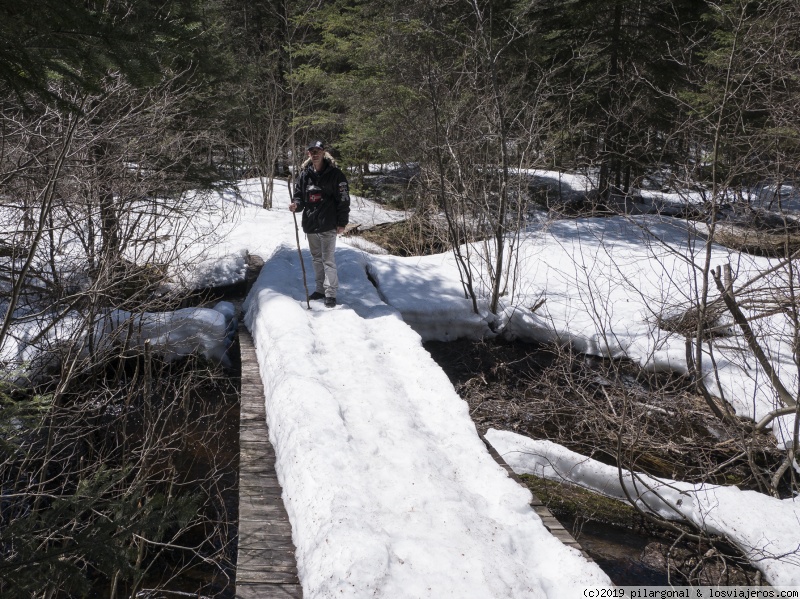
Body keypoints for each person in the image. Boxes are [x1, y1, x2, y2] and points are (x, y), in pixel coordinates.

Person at [289, 140, 350, 308]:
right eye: (311, 151)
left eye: (317, 150)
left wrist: (342, 222)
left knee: (328, 260)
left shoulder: (336, 174)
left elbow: (343, 200)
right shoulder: (305, 175)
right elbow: (299, 196)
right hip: (311, 224)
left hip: (328, 224)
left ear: (324, 152)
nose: (315, 154)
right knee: (316, 259)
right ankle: (319, 289)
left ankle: (330, 293)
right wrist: (296, 205)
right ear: (308, 154)